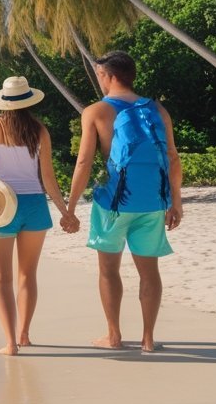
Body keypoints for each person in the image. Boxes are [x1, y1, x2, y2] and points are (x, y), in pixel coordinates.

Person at [65, 51, 183, 352]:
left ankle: (114, 336)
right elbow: (172, 156)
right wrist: (175, 201)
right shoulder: (157, 108)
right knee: (149, 271)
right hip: (154, 201)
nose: (98, 80)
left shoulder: (96, 111)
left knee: (108, 270)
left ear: (109, 76)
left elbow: (84, 162)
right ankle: (147, 339)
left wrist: (71, 207)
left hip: (113, 204)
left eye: (99, 75)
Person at [0, 76, 74, 356]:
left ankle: (11, 343)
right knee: (28, 275)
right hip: (35, 206)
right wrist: (65, 211)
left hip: (3, 205)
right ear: (29, 100)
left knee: (1, 278)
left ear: (3, 101)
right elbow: (48, 178)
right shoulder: (40, 130)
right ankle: (25, 334)